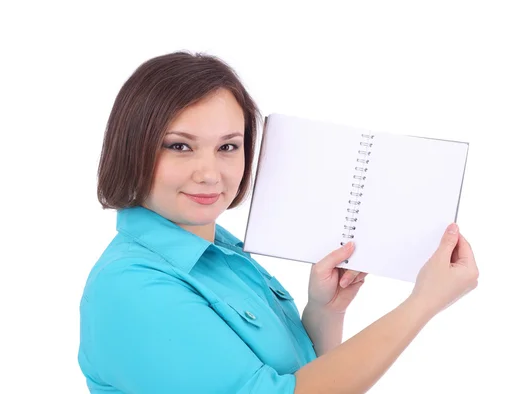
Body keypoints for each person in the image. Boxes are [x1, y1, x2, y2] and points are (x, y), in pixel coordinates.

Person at [78, 51, 479, 394]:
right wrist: (423, 303)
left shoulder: (223, 253)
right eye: (180, 146)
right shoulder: (132, 286)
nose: (210, 173)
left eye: (228, 147)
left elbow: (304, 376)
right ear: (133, 148)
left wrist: (325, 313)